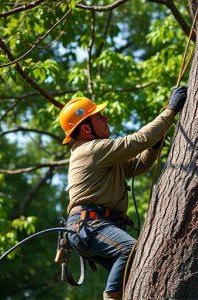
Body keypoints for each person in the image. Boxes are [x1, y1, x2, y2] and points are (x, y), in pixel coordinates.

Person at [58, 86, 187, 300]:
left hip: (94, 226)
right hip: (90, 225)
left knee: (133, 273)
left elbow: (137, 166)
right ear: (87, 129)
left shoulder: (100, 156)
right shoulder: (91, 150)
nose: (106, 118)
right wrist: (170, 110)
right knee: (130, 250)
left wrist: (154, 146)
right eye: (99, 117)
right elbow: (136, 141)